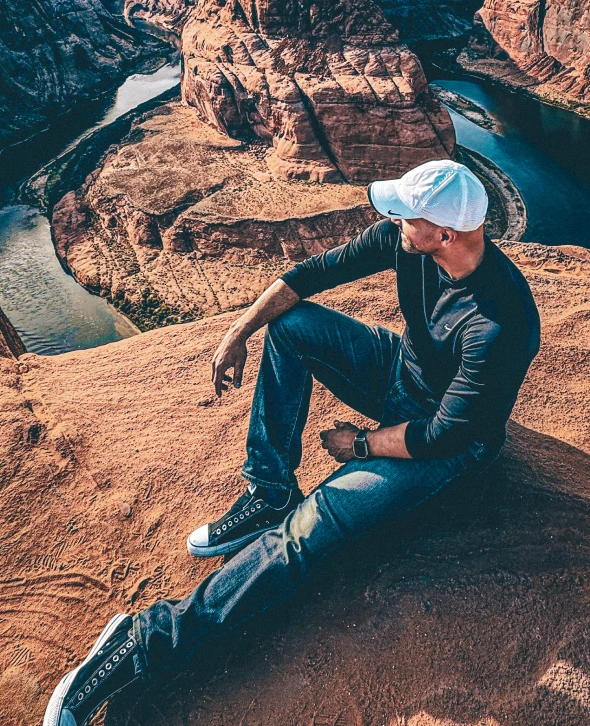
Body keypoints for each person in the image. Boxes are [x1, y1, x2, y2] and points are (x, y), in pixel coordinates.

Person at [43, 159, 541, 726]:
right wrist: (238, 333)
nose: (393, 220)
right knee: (291, 327)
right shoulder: (410, 243)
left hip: (446, 443)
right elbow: (311, 274)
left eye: (405, 214)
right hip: (399, 373)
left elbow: (446, 433)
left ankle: (146, 637)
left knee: (313, 524)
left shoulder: (501, 322)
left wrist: (361, 446)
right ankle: (268, 490)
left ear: (445, 234)